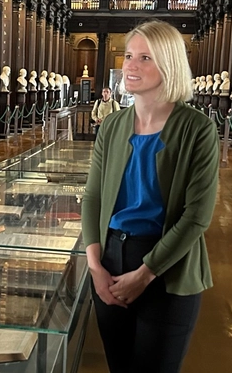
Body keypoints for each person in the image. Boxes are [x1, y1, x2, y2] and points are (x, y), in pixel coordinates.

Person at [81, 20, 217, 373]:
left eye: (144, 58)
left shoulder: (197, 128)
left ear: (169, 65)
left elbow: (197, 215)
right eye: (128, 56)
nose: (130, 66)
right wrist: (95, 266)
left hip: (168, 266)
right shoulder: (112, 126)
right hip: (110, 258)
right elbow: (93, 197)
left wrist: (145, 274)